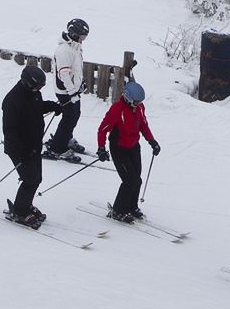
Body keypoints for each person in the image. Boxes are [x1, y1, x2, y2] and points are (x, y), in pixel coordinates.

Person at [2, 65, 63, 228]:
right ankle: (20, 211)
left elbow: (37, 107)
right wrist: (21, 152)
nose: (38, 90)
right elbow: (9, 131)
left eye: (40, 87)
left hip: (34, 145)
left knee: (37, 178)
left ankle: (26, 204)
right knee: (30, 179)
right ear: (26, 82)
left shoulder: (33, 94)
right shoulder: (12, 100)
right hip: (19, 149)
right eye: (35, 87)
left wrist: (52, 106)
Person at [96, 81, 159, 223]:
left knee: (137, 180)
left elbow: (143, 125)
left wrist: (152, 141)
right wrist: (101, 148)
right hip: (119, 148)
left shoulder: (139, 108)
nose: (138, 104)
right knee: (129, 180)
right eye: (135, 102)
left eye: (139, 102)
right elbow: (102, 129)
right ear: (128, 98)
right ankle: (118, 211)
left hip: (134, 146)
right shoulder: (117, 109)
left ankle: (131, 206)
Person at [44, 18, 91, 162]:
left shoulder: (74, 47)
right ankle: (58, 148)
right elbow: (63, 74)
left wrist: (80, 84)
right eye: (82, 36)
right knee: (69, 118)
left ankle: (65, 138)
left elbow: (75, 69)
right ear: (74, 34)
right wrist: (72, 92)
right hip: (65, 91)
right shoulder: (64, 50)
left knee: (74, 116)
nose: (83, 40)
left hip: (72, 90)